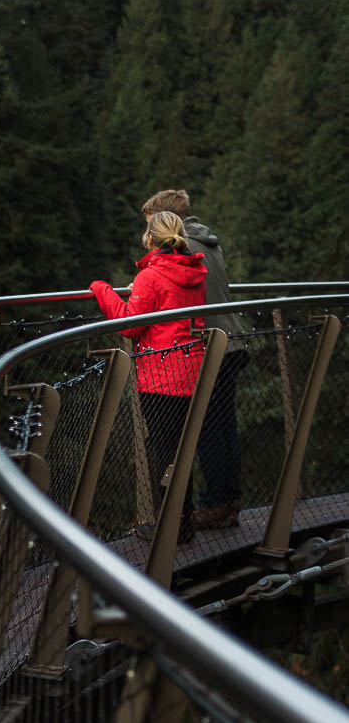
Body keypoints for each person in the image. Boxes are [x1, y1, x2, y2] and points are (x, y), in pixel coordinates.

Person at [91, 210, 208, 543]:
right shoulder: (195, 271)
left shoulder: (151, 276)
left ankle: (171, 528)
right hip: (193, 369)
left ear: (150, 238)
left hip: (161, 376)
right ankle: (182, 523)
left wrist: (102, 289)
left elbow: (129, 325)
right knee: (181, 451)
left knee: (164, 453)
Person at [141, 189, 245, 529]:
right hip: (230, 340)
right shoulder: (208, 242)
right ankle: (227, 501)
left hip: (207, 346)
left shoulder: (184, 248)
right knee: (222, 428)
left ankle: (213, 506)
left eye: (150, 225)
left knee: (208, 431)